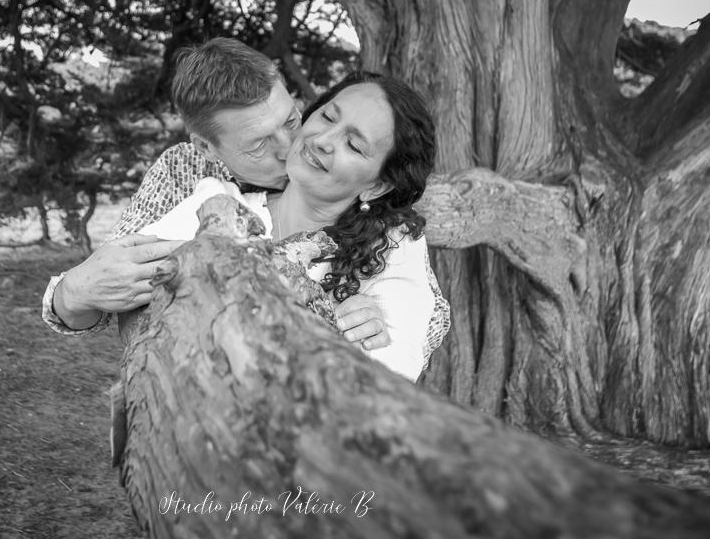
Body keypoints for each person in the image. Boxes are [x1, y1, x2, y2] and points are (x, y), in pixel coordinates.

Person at [41, 39, 450, 367]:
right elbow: (116, 286)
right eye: (258, 144)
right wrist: (72, 293)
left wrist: (364, 321)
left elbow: (425, 320)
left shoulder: (384, 231)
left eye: (292, 120)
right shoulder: (188, 177)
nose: (296, 145)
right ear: (207, 148)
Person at [137, 71, 437, 381]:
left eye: (354, 146)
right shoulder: (218, 202)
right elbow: (131, 298)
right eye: (328, 117)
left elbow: (389, 377)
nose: (322, 141)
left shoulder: (392, 248)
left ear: (377, 187)